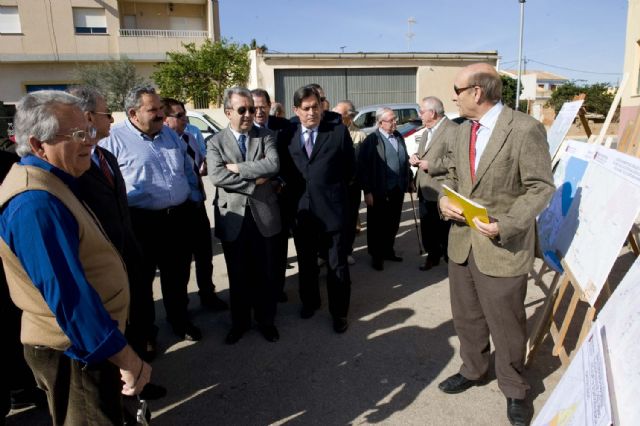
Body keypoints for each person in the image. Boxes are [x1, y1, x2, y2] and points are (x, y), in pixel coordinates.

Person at [0, 90, 151, 425]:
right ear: (38, 145)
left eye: (90, 130)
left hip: (87, 345)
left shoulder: (57, 179)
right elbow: (70, 299)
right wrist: (126, 359)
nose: (91, 140)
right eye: (79, 134)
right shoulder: (35, 203)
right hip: (76, 352)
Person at [437, 63, 554, 426]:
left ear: (477, 92)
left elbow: (540, 187)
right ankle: (473, 369)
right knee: (467, 317)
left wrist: (507, 224)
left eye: (457, 91)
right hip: (462, 243)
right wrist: (444, 200)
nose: (453, 98)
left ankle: (515, 388)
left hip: (503, 246)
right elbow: (452, 176)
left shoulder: (524, 129)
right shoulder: (461, 131)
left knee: (507, 324)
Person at [100, 86, 203, 342]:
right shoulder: (113, 141)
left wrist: (192, 198)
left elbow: (186, 169)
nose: (160, 114)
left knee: (177, 276)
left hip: (177, 218)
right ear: (133, 113)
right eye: (153, 109)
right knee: (141, 281)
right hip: (140, 222)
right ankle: (145, 334)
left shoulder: (169, 134)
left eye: (160, 108)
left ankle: (180, 320)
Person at [208, 87, 281, 344]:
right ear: (228, 112)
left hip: (264, 215)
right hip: (233, 218)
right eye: (243, 109)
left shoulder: (266, 136)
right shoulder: (215, 142)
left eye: (252, 109)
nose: (249, 114)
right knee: (238, 275)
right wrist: (254, 182)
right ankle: (240, 323)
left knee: (265, 274)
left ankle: (266, 321)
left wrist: (238, 168)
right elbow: (217, 176)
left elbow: (273, 164)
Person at [279, 85, 354, 333]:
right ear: (296, 110)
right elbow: (284, 170)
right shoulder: (287, 135)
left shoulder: (337, 132)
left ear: (322, 106)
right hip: (303, 213)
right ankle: (310, 302)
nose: (312, 112)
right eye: (306, 108)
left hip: (332, 211)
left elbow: (349, 169)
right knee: (307, 262)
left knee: (336, 265)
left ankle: (339, 312)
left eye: (316, 107)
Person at [161, 97, 228, 312]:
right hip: (177, 212)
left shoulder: (189, 137)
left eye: (185, 114)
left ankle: (208, 294)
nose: (185, 119)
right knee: (179, 265)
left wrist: (210, 166)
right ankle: (179, 309)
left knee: (205, 256)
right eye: (179, 116)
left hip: (197, 206)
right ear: (165, 119)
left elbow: (199, 165)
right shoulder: (162, 144)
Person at [251, 88, 293, 302]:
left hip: (280, 195)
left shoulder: (284, 127)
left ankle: (277, 288)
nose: (259, 112)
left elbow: (292, 159)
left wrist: (281, 180)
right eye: (254, 107)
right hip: (254, 198)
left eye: (263, 107)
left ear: (270, 106)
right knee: (256, 248)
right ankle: (258, 289)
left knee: (278, 246)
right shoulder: (244, 128)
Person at [358, 107, 413, 271]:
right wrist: (367, 191)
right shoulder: (372, 140)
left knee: (393, 222)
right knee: (377, 225)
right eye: (391, 120)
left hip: (397, 187)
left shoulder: (398, 136)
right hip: (379, 189)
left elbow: (404, 159)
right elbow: (363, 167)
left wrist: (410, 179)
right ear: (380, 123)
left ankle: (388, 250)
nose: (395, 122)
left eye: (395, 119)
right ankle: (376, 256)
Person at [409, 96, 458, 271]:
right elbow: (425, 154)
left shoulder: (453, 130)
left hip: (441, 189)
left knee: (444, 229)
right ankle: (432, 256)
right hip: (425, 187)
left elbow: (456, 160)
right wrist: (416, 157)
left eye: (422, 112)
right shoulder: (426, 131)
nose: (419, 115)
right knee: (428, 227)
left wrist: (432, 165)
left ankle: (450, 261)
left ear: (433, 113)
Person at [333, 100, 366, 265]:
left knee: (350, 220)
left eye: (339, 115)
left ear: (350, 117)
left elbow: (363, 164)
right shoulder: (329, 131)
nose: (334, 117)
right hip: (333, 186)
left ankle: (346, 251)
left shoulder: (360, 135)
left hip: (352, 187)